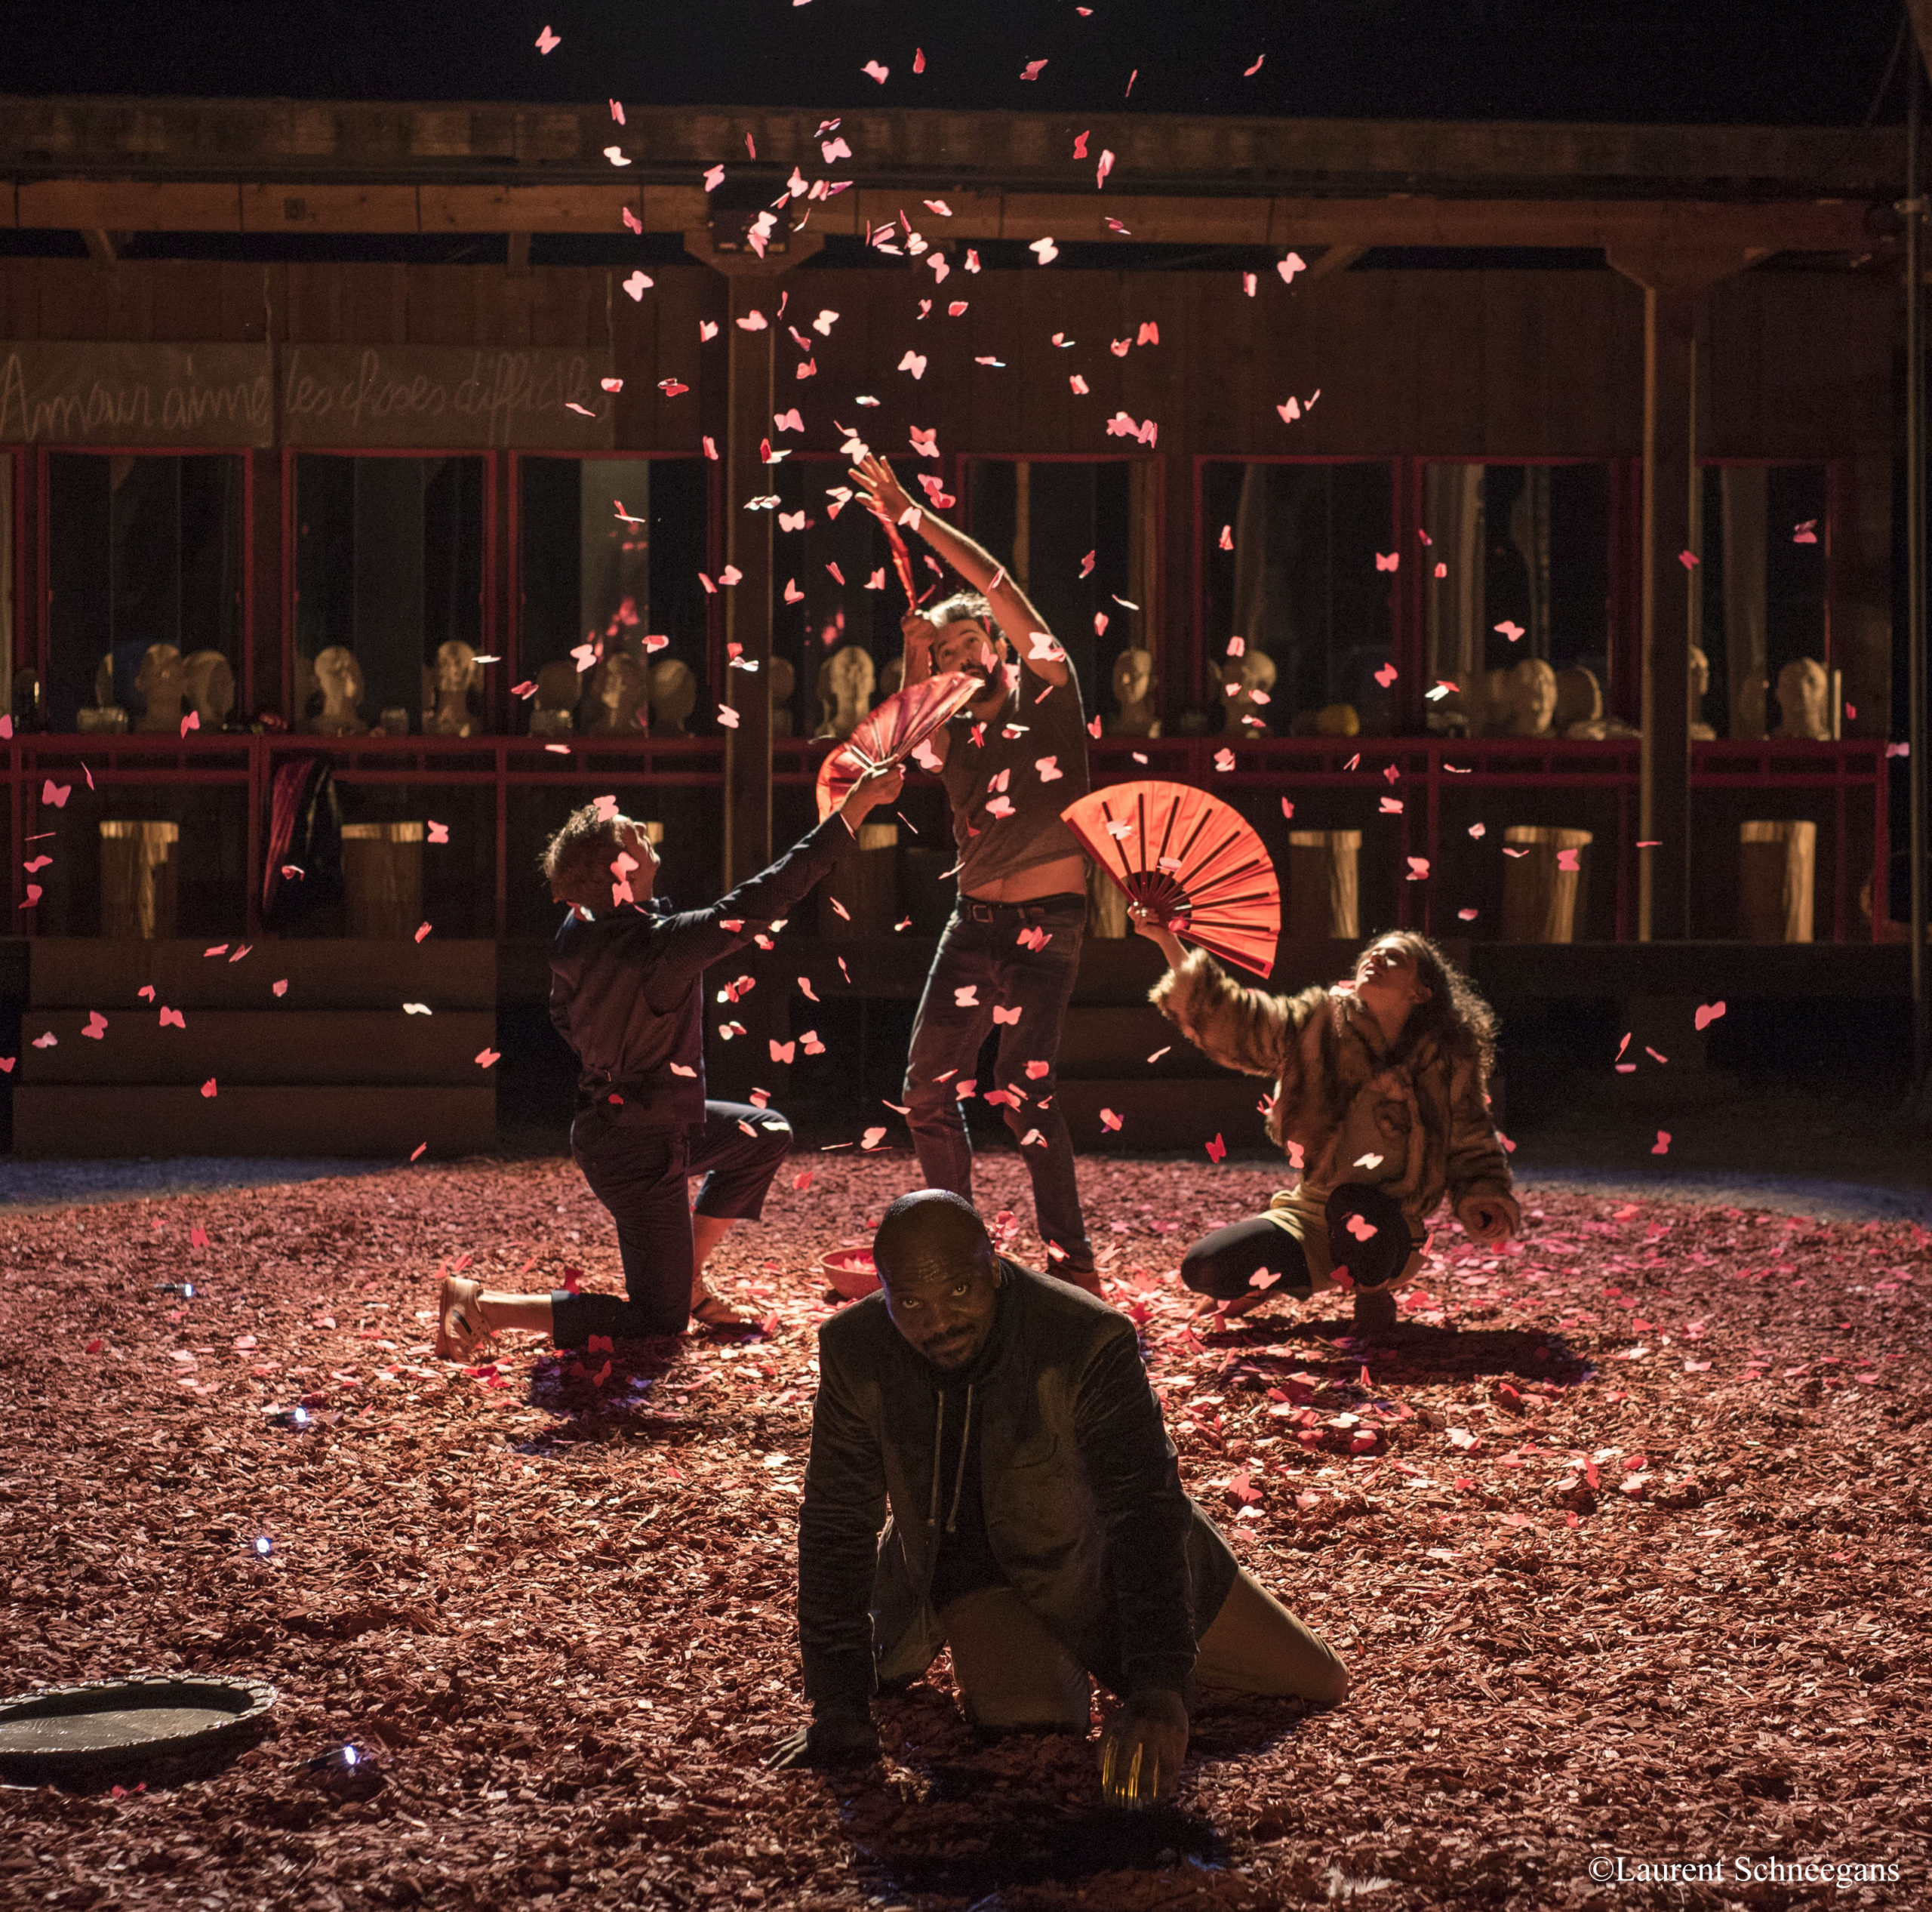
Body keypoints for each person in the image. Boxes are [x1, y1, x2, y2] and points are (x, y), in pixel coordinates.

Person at [767, 1190, 1346, 1806]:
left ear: (992, 1266)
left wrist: (1157, 1684)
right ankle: (952, 1624)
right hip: (969, 1562)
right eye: (910, 1301)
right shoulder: (856, 1350)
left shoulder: (1085, 1336)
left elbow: (1144, 1506)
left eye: (958, 1291)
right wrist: (837, 1704)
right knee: (1033, 1727)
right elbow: (836, 1521)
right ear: (883, 1291)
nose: (938, 1322)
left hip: (1098, 1538)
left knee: (1318, 1679)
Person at [434, 759, 905, 1359]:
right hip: (636, 1148)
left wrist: (616, 1054)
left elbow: (560, 1016)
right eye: (631, 832)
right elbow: (765, 897)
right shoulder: (657, 948)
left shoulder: (578, 928)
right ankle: (482, 1304)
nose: (642, 830)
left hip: (643, 1120)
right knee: (657, 1321)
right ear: (618, 872)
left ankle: (687, 1276)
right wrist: (852, 812)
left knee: (764, 1133)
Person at [848, 451, 1099, 1289]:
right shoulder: (950, 729)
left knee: (1026, 1097)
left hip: (1048, 925)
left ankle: (1073, 1266)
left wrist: (913, 516)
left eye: (970, 642)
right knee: (926, 1091)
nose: (964, 657)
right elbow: (906, 737)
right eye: (948, 650)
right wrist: (915, 658)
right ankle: (957, 1257)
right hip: (973, 924)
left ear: (995, 642)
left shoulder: (1053, 690)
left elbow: (995, 579)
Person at [1141, 924, 1519, 1336]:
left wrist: (1484, 1198)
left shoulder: (1447, 1061)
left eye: (1394, 958)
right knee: (1205, 1266)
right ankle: (1280, 1278)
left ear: (1421, 991)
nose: (1375, 958)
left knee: (1355, 1204)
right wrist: (1166, 940)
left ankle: (1373, 1288)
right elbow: (1238, 1023)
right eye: (1372, 952)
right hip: (1308, 1216)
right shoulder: (1317, 1023)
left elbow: (1471, 1140)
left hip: (1391, 1224)